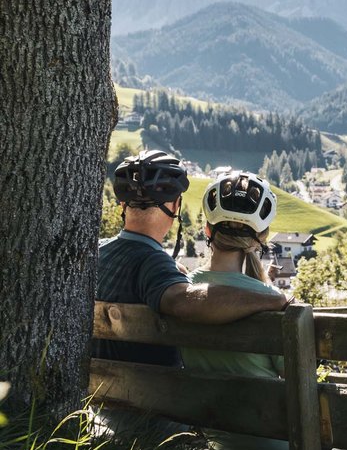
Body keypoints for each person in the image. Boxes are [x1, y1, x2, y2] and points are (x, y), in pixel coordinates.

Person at [92, 150, 288, 368]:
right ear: (176, 205)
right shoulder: (153, 265)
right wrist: (273, 299)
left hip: (97, 391)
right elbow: (182, 302)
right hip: (150, 397)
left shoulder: (96, 251)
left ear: (121, 204)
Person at [181, 170, 289, 450]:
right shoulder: (268, 301)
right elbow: (293, 375)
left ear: (208, 232)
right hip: (272, 443)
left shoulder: (179, 293)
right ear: (261, 239)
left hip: (212, 435)